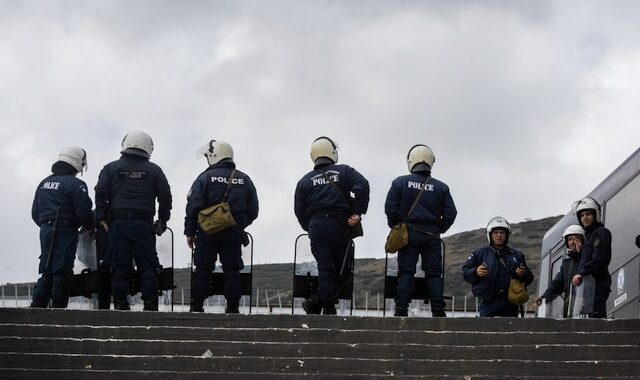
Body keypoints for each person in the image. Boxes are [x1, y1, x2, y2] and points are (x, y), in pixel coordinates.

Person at [95, 131, 172, 311]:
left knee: (119, 266)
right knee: (147, 266)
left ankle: (121, 307)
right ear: (148, 147)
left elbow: (100, 193)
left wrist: (103, 218)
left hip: (118, 225)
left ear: (125, 144)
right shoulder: (155, 170)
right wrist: (162, 220)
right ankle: (150, 307)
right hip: (144, 225)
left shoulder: (110, 168)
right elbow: (166, 197)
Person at [294, 137, 370, 315]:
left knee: (325, 268)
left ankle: (322, 304)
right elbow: (362, 186)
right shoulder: (344, 171)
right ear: (332, 153)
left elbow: (299, 209)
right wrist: (357, 213)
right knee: (342, 270)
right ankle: (322, 304)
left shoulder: (304, 180)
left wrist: (310, 226)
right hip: (339, 225)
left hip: (317, 226)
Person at [185, 140, 259, 313]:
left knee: (203, 269)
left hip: (207, 232)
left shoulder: (203, 178)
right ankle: (232, 308)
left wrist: (190, 232)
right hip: (233, 232)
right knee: (232, 270)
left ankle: (197, 307)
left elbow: (193, 207)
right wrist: (238, 224)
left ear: (213, 156)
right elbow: (253, 210)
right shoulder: (244, 179)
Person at [384, 144, 457, 317]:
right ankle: (438, 310)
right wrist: (440, 228)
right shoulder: (442, 187)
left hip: (408, 233)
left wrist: (396, 225)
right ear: (431, 162)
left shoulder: (399, 182)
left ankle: (401, 310)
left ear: (411, 161)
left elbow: (390, 208)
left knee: (406, 271)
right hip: (432, 235)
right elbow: (451, 213)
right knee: (433, 274)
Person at [31, 146, 95, 308]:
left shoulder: (44, 183)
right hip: (65, 230)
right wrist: (90, 227)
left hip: (45, 230)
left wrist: (47, 225)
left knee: (47, 270)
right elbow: (83, 211)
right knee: (62, 271)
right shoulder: (76, 184)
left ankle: (37, 308)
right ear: (77, 163)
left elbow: (35, 213)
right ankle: (58, 311)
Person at [463, 216, 534, 317]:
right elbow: (466, 273)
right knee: (486, 331)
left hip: (510, 302)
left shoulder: (517, 255)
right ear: (490, 235)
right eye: (496, 233)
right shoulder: (479, 254)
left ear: (507, 235)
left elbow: (530, 278)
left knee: (510, 331)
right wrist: (476, 272)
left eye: (502, 233)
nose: (499, 235)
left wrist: (523, 274)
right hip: (488, 302)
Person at [570, 197, 612, 318]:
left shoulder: (601, 232)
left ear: (595, 215)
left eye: (588, 214)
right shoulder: (588, 238)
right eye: (582, 215)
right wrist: (579, 254)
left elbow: (599, 259)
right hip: (588, 287)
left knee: (597, 319)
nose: (585, 218)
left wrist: (582, 273)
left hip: (597, 284)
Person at [535, 224, 585, 318]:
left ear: (582, 240)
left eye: (575, 239)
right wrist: (544, 297)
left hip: (585, 309)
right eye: (569, 239)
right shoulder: (566, 264)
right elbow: (556, 284)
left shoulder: (588, 259)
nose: (572, 242)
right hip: (570, 311)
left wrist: (581, 253)